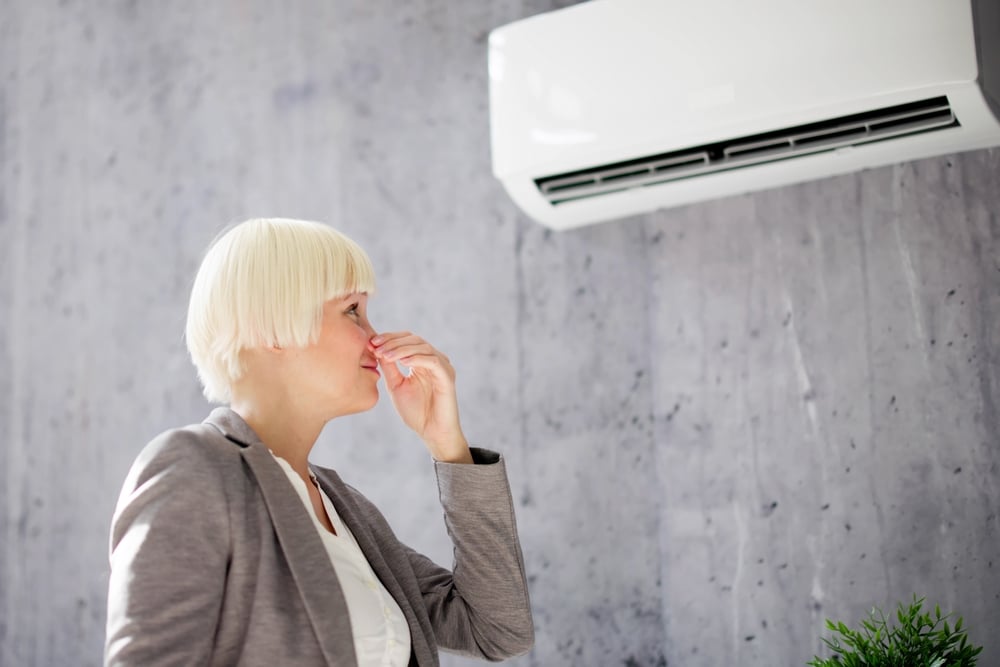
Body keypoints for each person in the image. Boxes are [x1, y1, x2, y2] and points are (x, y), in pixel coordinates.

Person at [104, 218, 534, 666]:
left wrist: (449, 447)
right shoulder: (192, 470)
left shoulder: (347, 511)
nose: (376, 340)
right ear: (270, 327)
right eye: (352, 311)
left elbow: (498, 631)